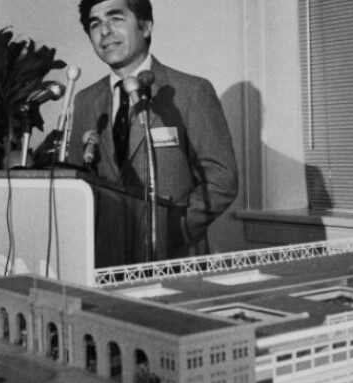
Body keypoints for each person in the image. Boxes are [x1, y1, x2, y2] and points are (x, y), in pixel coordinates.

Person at [68, 0, 238, 257]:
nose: (104, 31)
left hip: (173, 256)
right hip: (104, 257)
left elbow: (221, 180)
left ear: (146, 27)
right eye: (95, 24)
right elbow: (78, 180)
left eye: (115, 18)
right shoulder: (85, 100)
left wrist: (171, 232)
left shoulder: (191, 92)